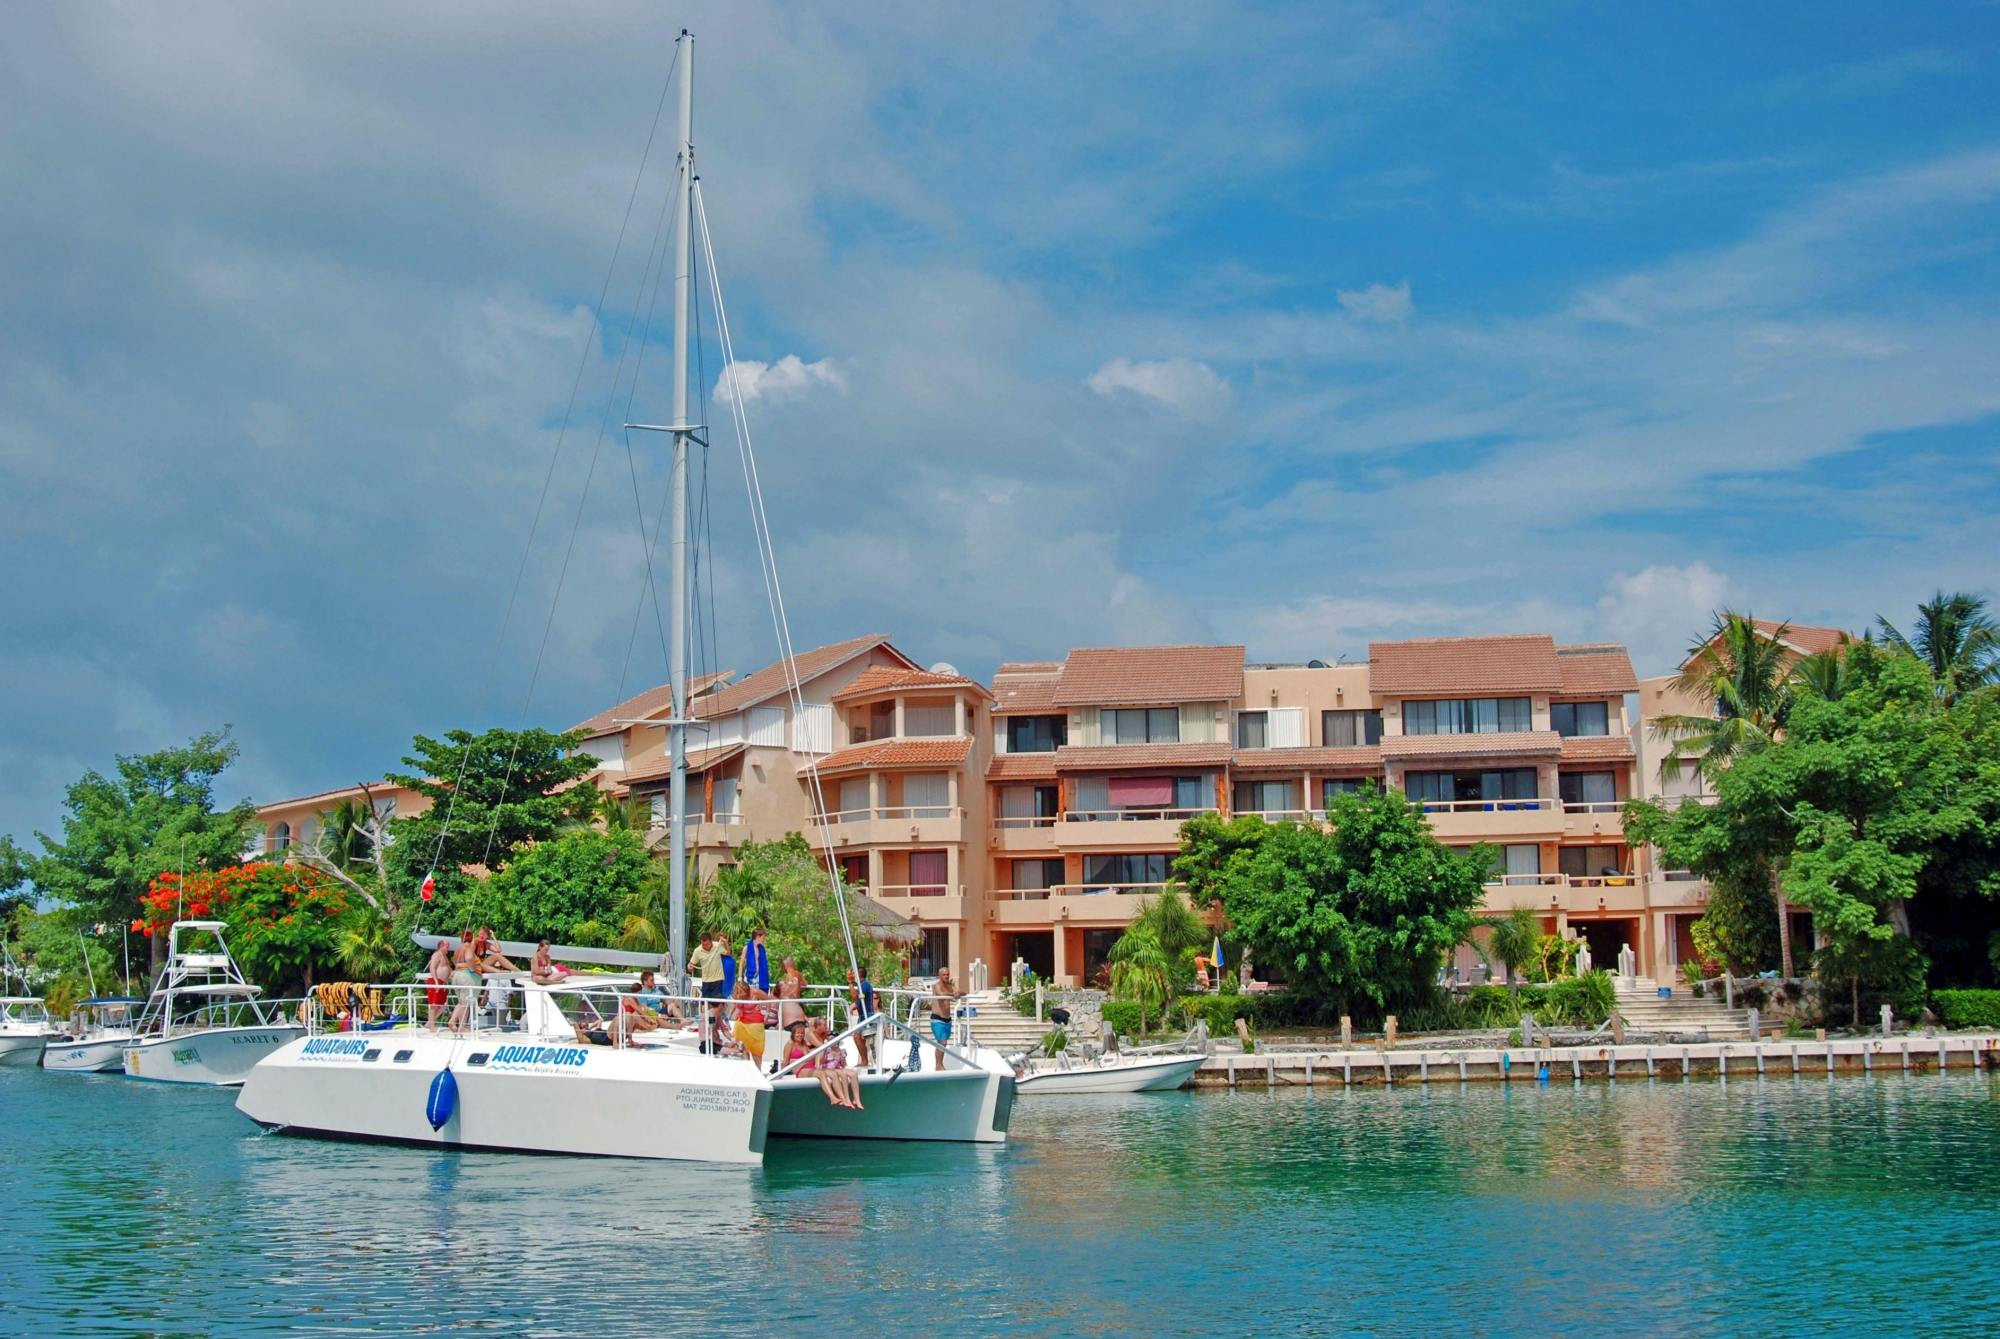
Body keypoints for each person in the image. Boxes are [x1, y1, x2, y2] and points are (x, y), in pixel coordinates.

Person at [809, 1017, 864, 1109]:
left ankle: (857, 1099)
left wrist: (842, 1059)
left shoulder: (840, 1050)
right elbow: (818, 1065)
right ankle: (846, 1098)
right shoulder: (823, 1049)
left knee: (853, 1074)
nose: (834, 1041)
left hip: (837, 1068)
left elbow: (843, 1064)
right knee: (842, 1073)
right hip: (828, 1068)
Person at [446, 927, 482, 1034]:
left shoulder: (457, 949)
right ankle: (461, 1026)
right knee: (466, 1002)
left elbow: (454, 961)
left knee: (461, 1002)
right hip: (466, 976)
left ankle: (453, 1021)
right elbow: (469, 958)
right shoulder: (467, 947)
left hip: (457, 976)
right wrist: (473, 969)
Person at [730, 979, 770, 1071]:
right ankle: (746, 1071)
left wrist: (767, 1014)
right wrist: (730, 1014)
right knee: (743, 1047)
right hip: (741, 1021)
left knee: (756, 1049)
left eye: (743, 994)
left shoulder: (755, 992)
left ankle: (758, 1070)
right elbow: (735, 1004)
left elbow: (768, 999)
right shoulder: (736, 994)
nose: (741, 996)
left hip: (755, 1021)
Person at [846, 968, 876, 1068]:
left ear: (859, 975)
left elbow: (854, 996)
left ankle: (868, 1061)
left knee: (864, 1038)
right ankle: (865, 1061)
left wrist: (850, 983)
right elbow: (858, 1001)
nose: (853, 975)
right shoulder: (861, 986)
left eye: (854, 973)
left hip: (868, 1016)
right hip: (863, 1016)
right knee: (858, 1038)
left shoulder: (865, 985)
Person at [928, 968, 957, 1071]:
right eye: (944, 975)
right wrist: (953, 995)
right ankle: (938, 1065)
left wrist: (958, 994)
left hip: (947, 1020)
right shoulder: (936, 986)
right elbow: (940, 995)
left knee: (944, 1043)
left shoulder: (950, 986)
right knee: (942, 1042)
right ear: (940, 975)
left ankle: (939, 1065)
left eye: (947, 974)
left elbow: (960, 993)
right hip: (937, 1019)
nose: (946, 976)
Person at [424, 938, 453, 1031]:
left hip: (442, 983)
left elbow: (448, 969)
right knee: (434, 1004)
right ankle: (432, 1025)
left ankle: (429, 1022)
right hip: (435, 981)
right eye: (447, 946)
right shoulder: (437, 955)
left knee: (443, 1005)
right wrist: (436, 981)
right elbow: (432, 967)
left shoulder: (445, 956)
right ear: (441, 946)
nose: (448, 947)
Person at [688, 932, 726, 1000]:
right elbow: (691, 963)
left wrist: (725, 941)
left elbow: (728, 953)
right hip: (706, 980)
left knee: (716, 1003)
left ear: (711, 941)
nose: (705, 946)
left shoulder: (717, 945)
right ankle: (706, 1011)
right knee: (704, 1002)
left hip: (718, 979)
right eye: (703, 944)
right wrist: (690, 967)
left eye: (707, 944)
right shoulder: (697, 950)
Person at [743, 929, 772, 994]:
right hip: (750, 975)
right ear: (758, 937)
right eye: (763, 938)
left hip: (760, 975)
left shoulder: (762, 949)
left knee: (760, 994)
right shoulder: (746, 948)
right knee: (749, 994)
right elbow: (741, 963)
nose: (764, 940)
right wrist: (739, 978)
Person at [719, 934, 737, 999]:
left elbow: (728, 953)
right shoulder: (716, 950)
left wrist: (725, 942)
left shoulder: (729, 959)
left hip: (728, 981)